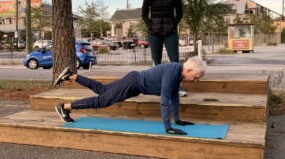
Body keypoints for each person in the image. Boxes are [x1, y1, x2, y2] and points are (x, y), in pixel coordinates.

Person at [54, 56, 206, 135]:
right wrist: (168, 127)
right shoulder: (173, 72)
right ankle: (65, 107)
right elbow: (165, 100)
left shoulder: (178, 73)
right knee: (102, 101)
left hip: (135, 84)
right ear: (189, 70)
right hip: (134, 83)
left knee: (102, 89)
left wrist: (178, 120)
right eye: (197, 76)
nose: (197, 80)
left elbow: (175, 96)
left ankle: (71, 76)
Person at [142, 0, 188, 96]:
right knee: (156, 61)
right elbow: (144, 14)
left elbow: (180, 13)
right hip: (154, 33)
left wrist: (173, 24)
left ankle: (177, 87)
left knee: (175, 61)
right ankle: (159, 87)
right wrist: (151, 26)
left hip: (170, 32)